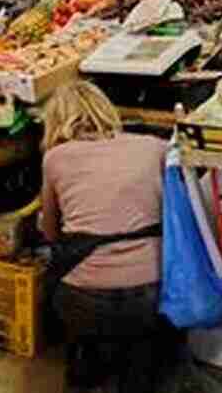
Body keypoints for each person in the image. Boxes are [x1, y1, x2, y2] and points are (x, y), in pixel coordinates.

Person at [39, 81, 168, 393]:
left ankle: (87, 374)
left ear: (56, 120)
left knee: (82, 340)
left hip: (84, 300)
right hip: (149, 293)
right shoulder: (154, 147)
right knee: (143, 359)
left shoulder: (56, 159)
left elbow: (51, 232)